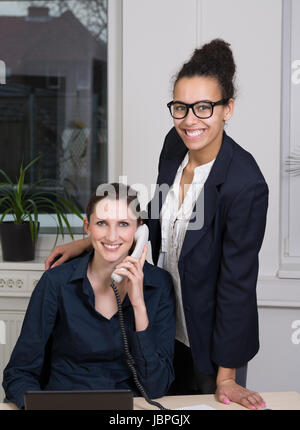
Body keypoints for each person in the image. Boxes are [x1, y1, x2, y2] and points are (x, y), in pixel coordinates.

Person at [44, 39, 268, 410]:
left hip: (211, 345)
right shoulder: (175, 144)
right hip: (162, 322)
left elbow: (237, 284)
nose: (189, 120)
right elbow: (155, 215)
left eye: (204, 107)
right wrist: (87, 243)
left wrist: (226, 376)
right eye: (180, 108)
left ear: (228, 108)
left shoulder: (245, 184)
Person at [3, 183, 176, 410]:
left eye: (123, 224)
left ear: (139, 230)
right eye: (102, 223)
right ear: (88, 227)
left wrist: (138, 304)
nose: (112, 236)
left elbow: (156, 387)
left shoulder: (159, 285)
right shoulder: (56, 283)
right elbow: (18, 372)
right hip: (64, 407)